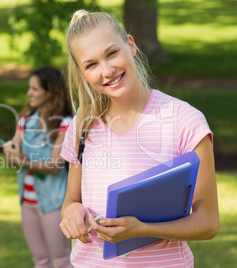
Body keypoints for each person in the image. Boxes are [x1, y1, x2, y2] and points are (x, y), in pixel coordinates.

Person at [59, 10, 220, 267]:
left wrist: (142, 229)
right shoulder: (82, 124)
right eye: (91, 65)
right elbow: (71, 200)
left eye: (112, 53)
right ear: (82, 74)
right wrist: (71, 213)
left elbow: (208, 223)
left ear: (130, 46)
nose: (107, 70)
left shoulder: (185, 120)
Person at [3, 66, 73, 268]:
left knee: (61, 261)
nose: (29, 93)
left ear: (50, 91)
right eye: (29, 88)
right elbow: (12, 157)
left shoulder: (65, 122)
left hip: (53, 202)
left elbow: (54, 166)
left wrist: (22, 160)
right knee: (40, 260)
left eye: (34, 89)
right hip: (27, 200)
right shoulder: (26, 119)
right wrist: (10, 152)